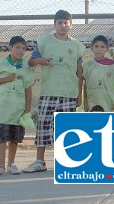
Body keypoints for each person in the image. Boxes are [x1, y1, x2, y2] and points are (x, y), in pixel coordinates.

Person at [23, 10, 86, 173]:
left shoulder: (77, 46)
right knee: (43, 125)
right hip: (48, 91)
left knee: (66, 129)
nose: (63, 26)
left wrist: (79, 93)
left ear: (71, 25)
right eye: (59, 22)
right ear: (55, 24)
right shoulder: (43, 42)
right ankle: (40, 161)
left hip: (69, 93)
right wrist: (40, 61)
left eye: (66, 22)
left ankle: (65, 161)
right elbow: (30, 62)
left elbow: (80, 72)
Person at [0, 36, 35, 177]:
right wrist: (5, 79)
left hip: (18, 110)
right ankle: (0, 166)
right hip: (2, 109)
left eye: (23, 48)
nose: (20, 51)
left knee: (14, 139)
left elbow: (28, 89)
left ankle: (11, 164)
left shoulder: (26, 68)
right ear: (10, 48)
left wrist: (27, 109)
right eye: (17, 47)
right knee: (1, 139)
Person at [83, 35, 114, 112]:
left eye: (102, 47)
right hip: (92, 100)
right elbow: (85, 85)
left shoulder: (112, 65)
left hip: (108, 102)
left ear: (107, 49)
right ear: (92, 48)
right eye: (96, 46)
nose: (99, 49)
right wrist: (85, 103)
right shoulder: (88, 65)